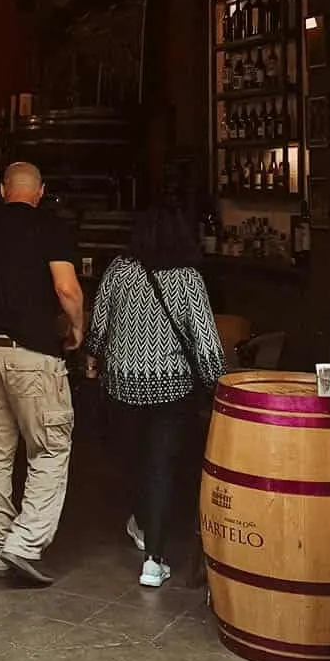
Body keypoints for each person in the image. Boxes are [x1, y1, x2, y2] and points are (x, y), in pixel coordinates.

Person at [85, 200, 224, 589]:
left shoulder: (118, 270)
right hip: (172, 388)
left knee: (133, 461)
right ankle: (154, 559)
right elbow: (206, 343)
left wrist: (97, 361)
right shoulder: (188, 279)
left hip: (122, 386)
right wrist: (221, 387)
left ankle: (144, 524)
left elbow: (97, 329)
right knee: (161, 466)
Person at [0, 161, 83, 586]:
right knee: (49, 450)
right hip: (31, 356)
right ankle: (24, 543)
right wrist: (77, 326)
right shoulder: (50, 227)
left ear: (1, 188)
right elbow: (66, 288)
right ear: (41, 191)